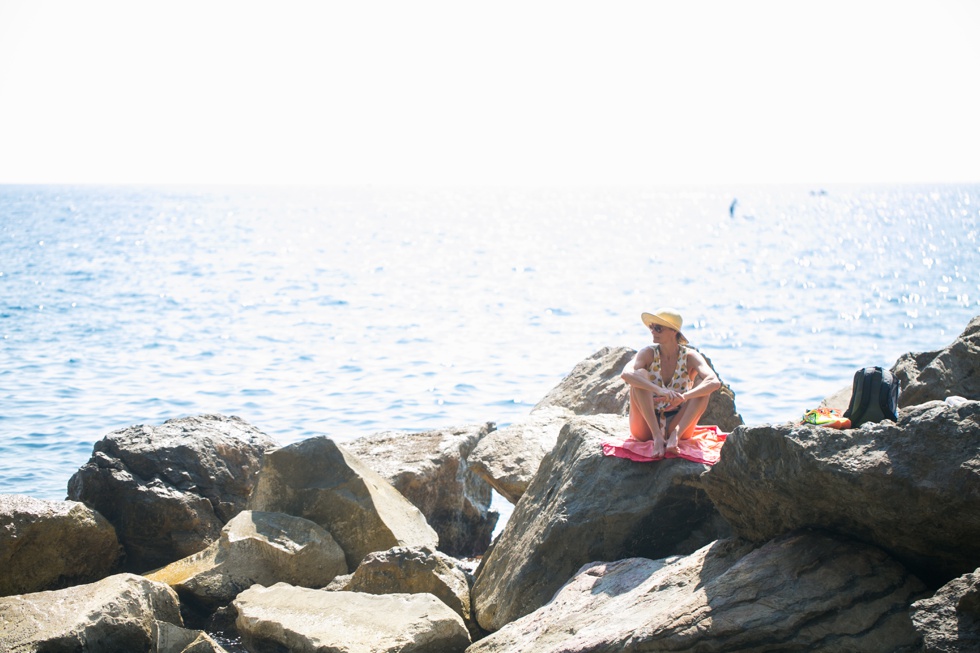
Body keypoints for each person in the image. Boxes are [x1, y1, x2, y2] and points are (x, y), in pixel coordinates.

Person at [620, 308, 721, 459]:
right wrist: (659, 390)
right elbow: (626, 374)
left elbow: (714, 382)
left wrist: (684, 396)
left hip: (677, 423)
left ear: (674, 331)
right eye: (651, 327)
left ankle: (675, 437)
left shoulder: (689, 356)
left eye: (658, 328)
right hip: (647, 425)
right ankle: (657, 438)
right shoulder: (648, 353)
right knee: (639, 376)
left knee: (703, 386)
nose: (653, 331)